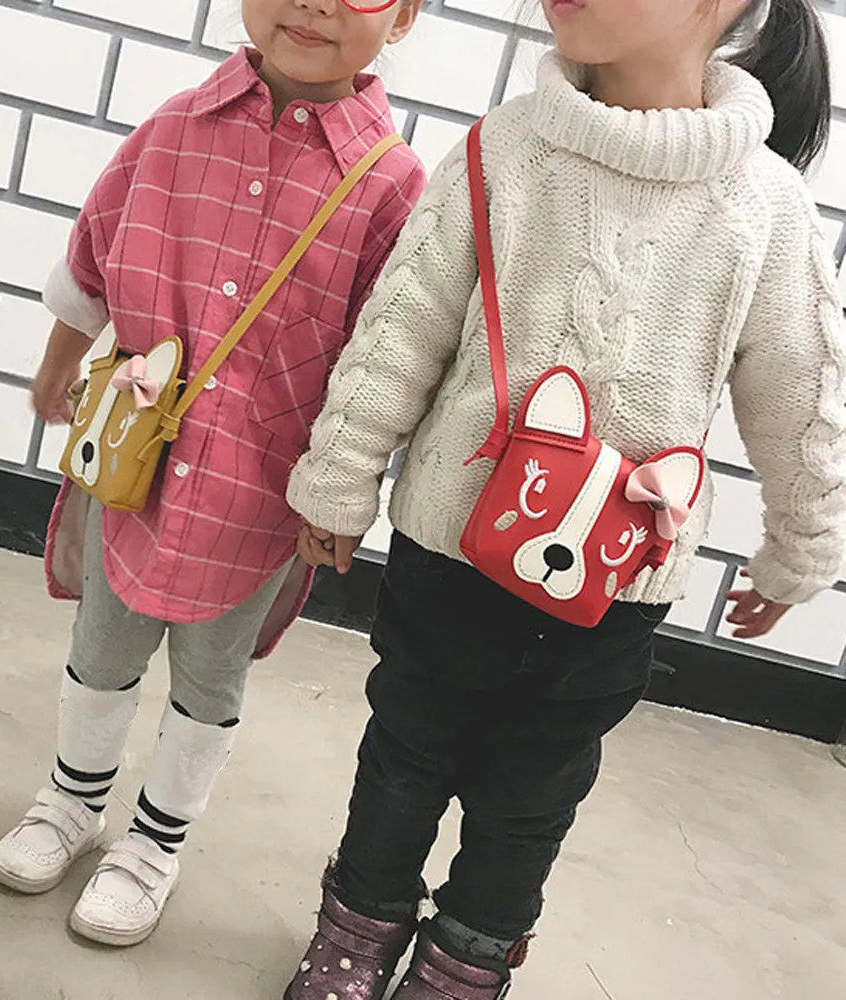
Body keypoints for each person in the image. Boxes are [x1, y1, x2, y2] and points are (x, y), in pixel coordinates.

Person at [284, 0, 846, 997]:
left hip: (612, 589)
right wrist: (338, 477)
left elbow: (804, 402)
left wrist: (799, 551)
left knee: (531, 799)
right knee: (402, 759)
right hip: (446, 556)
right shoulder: (503, 149)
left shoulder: (767, 206)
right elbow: (403, 326)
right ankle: (354, 936)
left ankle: (463, 966)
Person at [0, 0, 426, 948]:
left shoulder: (392, 185)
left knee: (211, 674)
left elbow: (389, 356)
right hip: (134, 464)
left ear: (404, 18)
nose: (315, 3)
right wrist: (60, 362)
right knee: (103, 644)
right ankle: (71, 801)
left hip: (259, 492)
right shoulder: (175, 126)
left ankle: (154, 844)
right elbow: (94, 250)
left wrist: (346, 492)